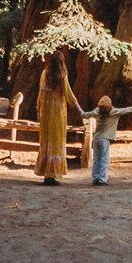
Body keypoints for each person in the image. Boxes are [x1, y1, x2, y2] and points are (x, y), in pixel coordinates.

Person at [35, 52, 83, 185]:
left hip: (46, 113)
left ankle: (46, 173)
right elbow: (69, 94)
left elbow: (40, 92)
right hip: (57, 115)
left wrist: (39, 109)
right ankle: (52, 175)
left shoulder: (44, 73)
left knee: (45, 141)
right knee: (56, 141)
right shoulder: (62, 75)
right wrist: (80, 110)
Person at [82, 92, 132, 185]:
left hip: (96, 139)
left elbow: (87, 114)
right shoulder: (113, 112)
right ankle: (102, 179)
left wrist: (83, 113)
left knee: (96, 159)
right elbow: (126, 110)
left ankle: (96, 178)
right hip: (105, 140)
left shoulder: (97, 111)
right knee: (104, 159)